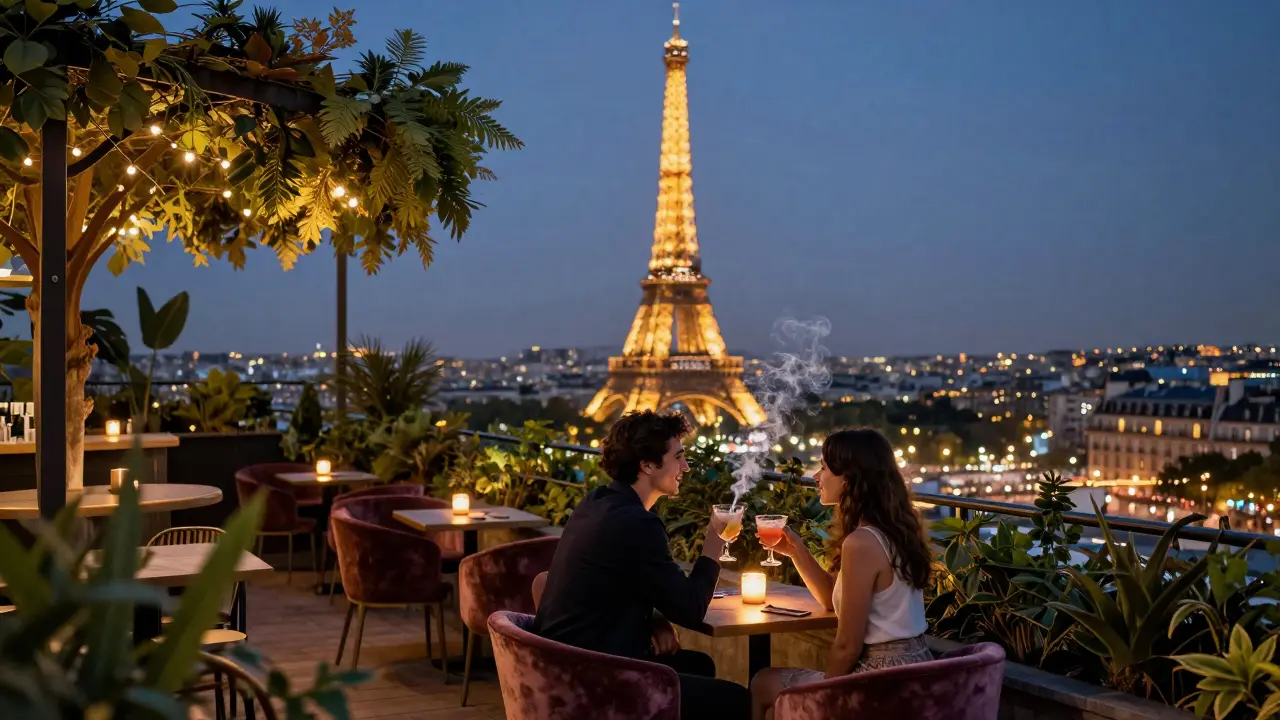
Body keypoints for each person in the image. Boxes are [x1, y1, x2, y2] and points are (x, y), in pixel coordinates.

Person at [533, 410, 751, 719]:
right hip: (598, 681)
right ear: (647, 464)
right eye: (678, 457)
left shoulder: (597, 502)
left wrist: (654, 621)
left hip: (560, 669)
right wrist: (713, 543)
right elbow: (690, 608)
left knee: (699, 666)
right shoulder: (638, 523)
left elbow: (618, 582)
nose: (685, 467)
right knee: (735, 700)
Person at [750, 427, 934, 720]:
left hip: (880, 679)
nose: (816, 477)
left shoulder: (861, 543)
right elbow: (829, 599)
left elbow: (848, 646)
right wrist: (797, 550)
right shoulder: (892, 531)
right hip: (917, 671)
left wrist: (823, 694)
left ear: (848, 479)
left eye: (823, 468)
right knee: (774, 698)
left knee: (762, 684)